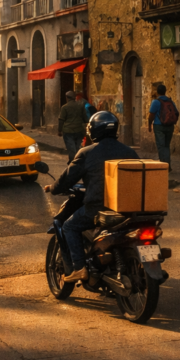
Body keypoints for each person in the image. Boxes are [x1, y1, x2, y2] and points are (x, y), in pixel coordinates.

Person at [44, 111, 134, 282]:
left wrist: (52, 188)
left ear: (93, 131)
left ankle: (79, 268)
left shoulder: (87, 152)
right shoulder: (129, 151)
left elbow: (66, 179)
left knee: (69, 227)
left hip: (98, 207)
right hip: (129, 207)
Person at [147, 84, 178, 168]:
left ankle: (163, 166)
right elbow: (176, 113)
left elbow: (151, 116)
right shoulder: (170, 102)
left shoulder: (156, 102)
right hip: (170, 126)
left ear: (157, 92)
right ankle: (168, 165)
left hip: (159, 126)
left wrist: (149, 125)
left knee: (161, 146)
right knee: (166, 146)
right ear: (165, 91)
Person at [58, 91, 90, 162]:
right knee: (78, 147)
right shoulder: (81, 106)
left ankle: (73, 163)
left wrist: (59, 131)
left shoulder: (64, 107)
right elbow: (85, 119)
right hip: (79, 130)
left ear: (67, 98)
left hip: (68, 131)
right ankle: (78, 161)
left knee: (71, 149)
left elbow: (61, 120)